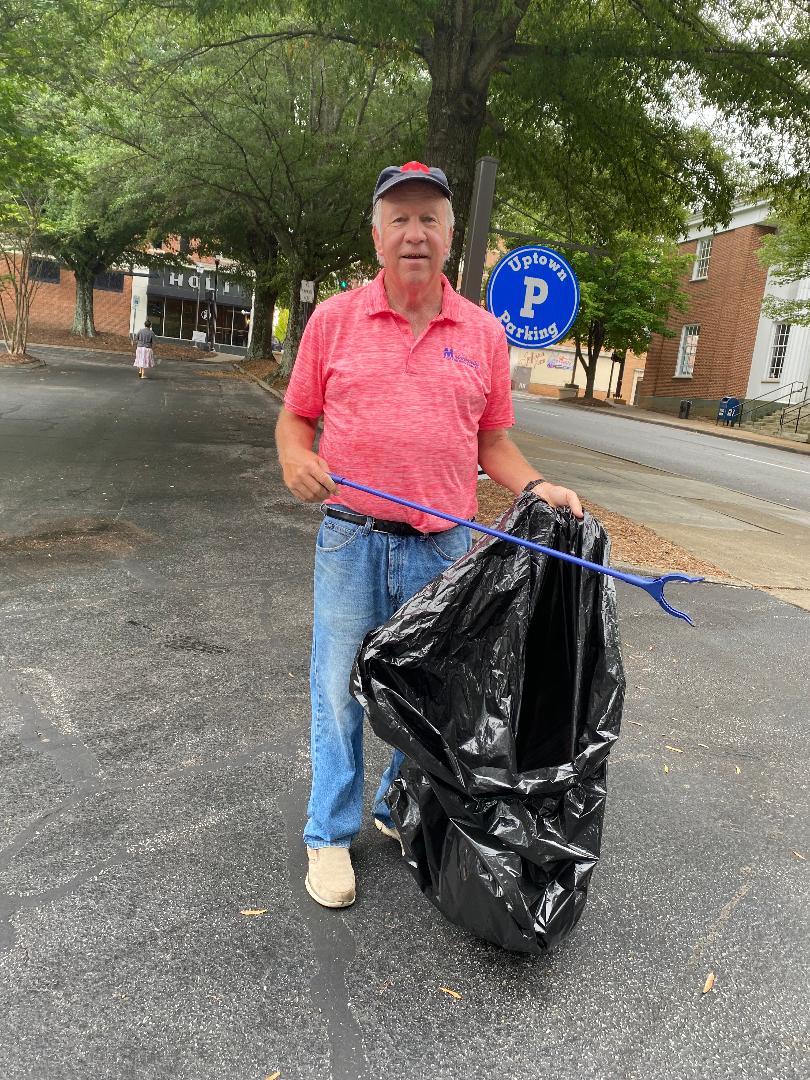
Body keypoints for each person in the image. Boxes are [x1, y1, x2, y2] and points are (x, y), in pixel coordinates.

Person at [275, 160, 583, 909]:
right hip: (351, 539)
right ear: (377, 235)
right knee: (339, 694)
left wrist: (537, 487)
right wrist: (295, 459)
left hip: (443, 550)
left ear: (449, 235)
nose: (414, 233)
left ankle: (394, 805)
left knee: (426, 696)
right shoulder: (334, 320)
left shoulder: (483, 333)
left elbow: (493, 443)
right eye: (400, 219)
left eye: (429, 219)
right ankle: (329, 833)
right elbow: (296, 418)